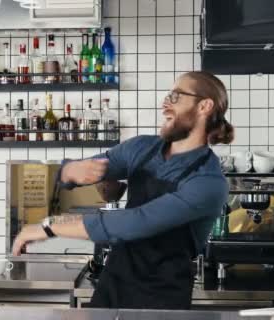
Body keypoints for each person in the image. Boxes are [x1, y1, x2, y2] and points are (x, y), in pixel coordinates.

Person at [12, 71, 234, 310]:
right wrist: (70, 171)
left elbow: (137, 221)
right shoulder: (142, 148)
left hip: (162, 297)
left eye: (176, 96)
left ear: (205, 106)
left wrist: (49, 226)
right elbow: (82, 170)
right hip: (114, 282)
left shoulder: (208, 182)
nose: (165, 103)